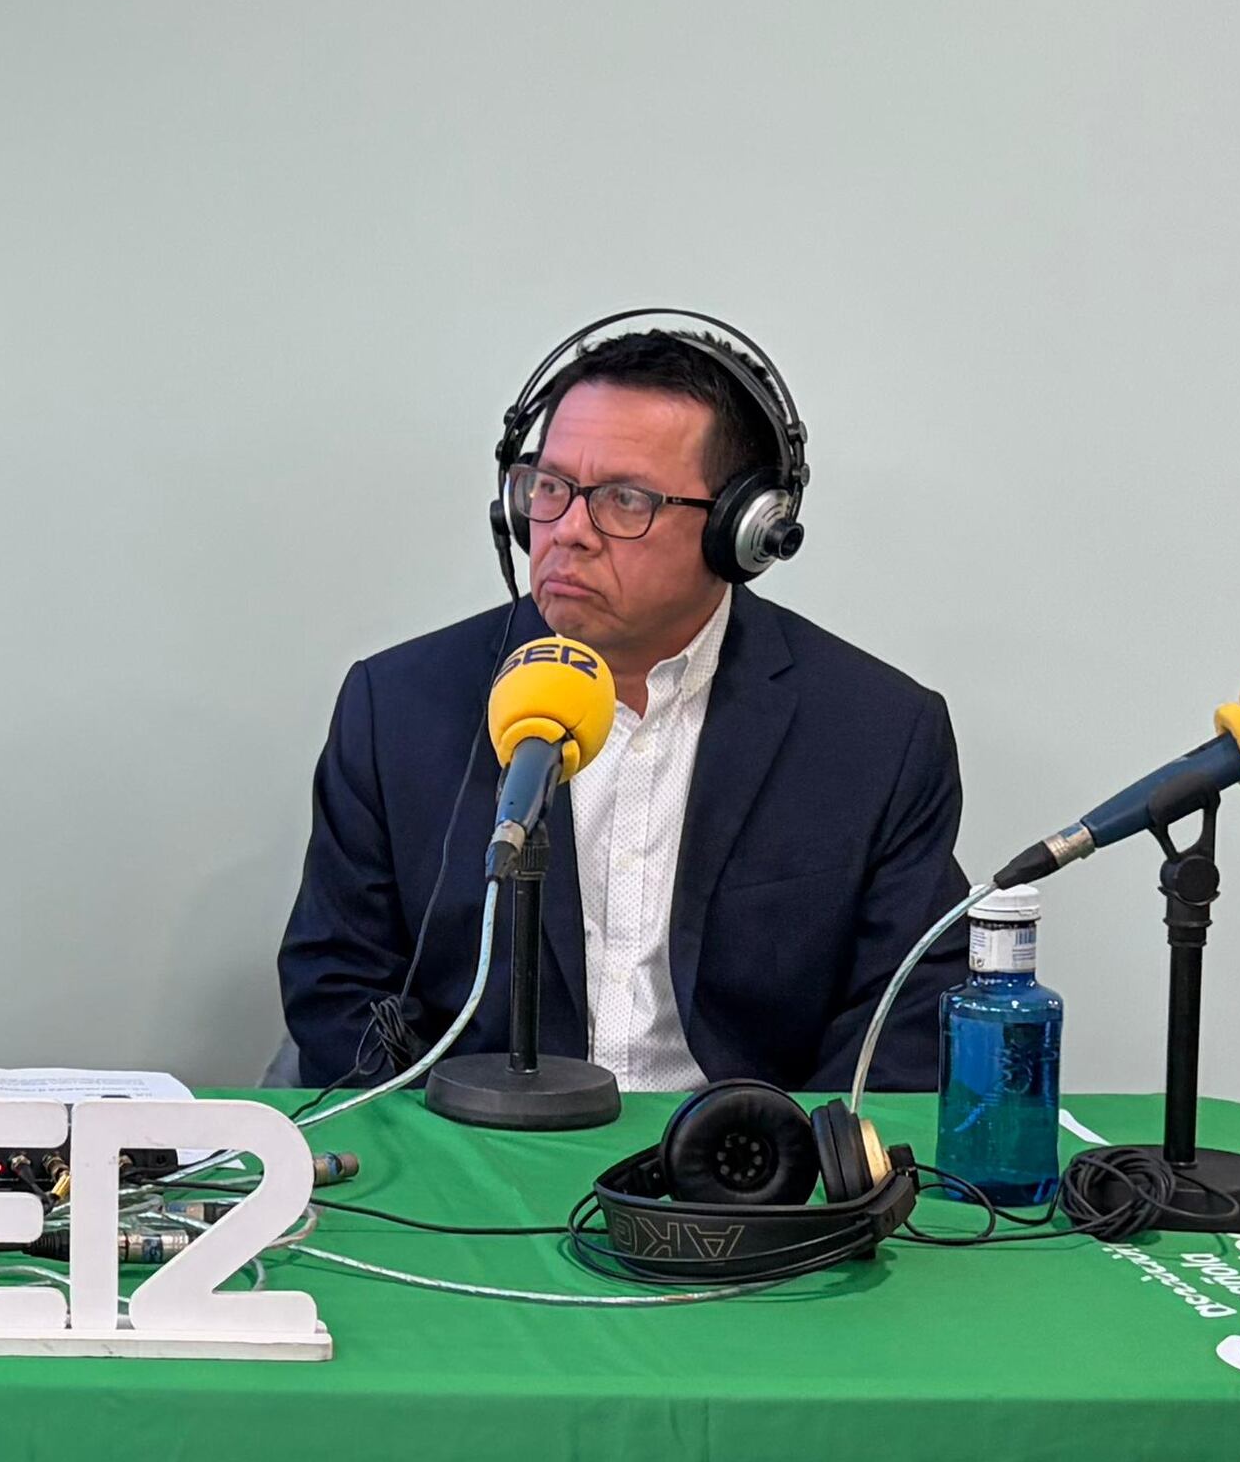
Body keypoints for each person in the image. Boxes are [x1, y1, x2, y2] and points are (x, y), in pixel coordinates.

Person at [281, 310, 968, 1097]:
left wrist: (789, 1171)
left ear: (742, 532)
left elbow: (904, 1014)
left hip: (738, 1178)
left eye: (625, 500)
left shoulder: (876, 732)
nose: (568, 531)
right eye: (550, 487)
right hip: (473, 1150)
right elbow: (336, 985)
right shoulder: (396, 707)